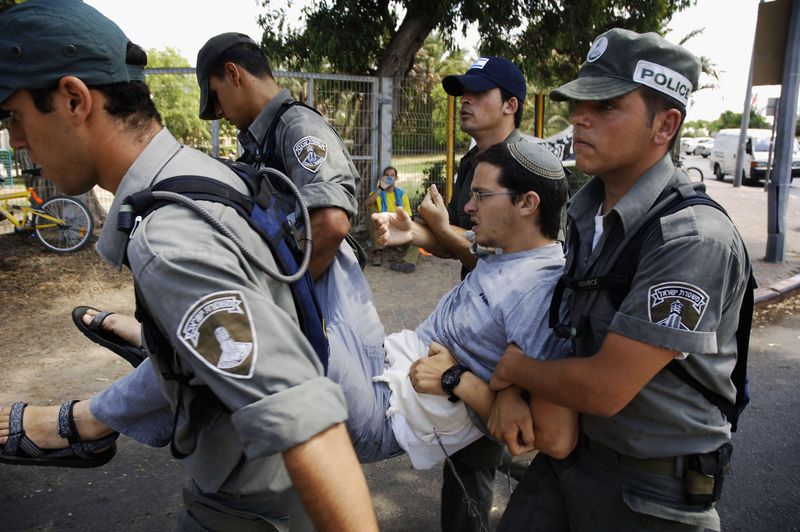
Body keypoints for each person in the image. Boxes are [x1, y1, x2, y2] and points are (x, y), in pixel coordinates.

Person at [0, 2, 377, 530]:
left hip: (245, 499)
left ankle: (85, 424)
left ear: (73, 99)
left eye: (14, 116)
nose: (16, 139)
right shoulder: (199, 173)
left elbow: (305, 422)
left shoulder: (169, 238)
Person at [488, 28, 751, 531]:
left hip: (649, 491)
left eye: (607, 105)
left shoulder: (692, 239)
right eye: (580, 103)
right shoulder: (590, 211)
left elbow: (605, 388)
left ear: (665, 125)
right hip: (572, 454)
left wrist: (515, 370)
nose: (579, 117)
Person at [379, 55, 529, 531]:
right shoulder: (475, 162)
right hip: (472, 325)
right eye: (461, 91)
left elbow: (515, 268)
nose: (464, 100)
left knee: (477, 451)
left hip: (509, 332)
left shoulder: (527, 168)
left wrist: (442, 231)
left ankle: (561, 465)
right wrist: (417, 235)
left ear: (510, 104)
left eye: (477, 92)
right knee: (472, 447)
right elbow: (469, 247)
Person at [365, 165, 418, 272]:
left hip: (398, 227)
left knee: (416, 228)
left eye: (392, 175)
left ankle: (408, 262)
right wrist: (380, 188)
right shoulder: (376, 193)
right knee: (371, 212)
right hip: (382, 228)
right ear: (382, 178)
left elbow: (408, 217)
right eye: (387, 175)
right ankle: (377, 252)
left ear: (396, 178)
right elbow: (367, 204)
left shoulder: (402, 195)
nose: (389, 178)